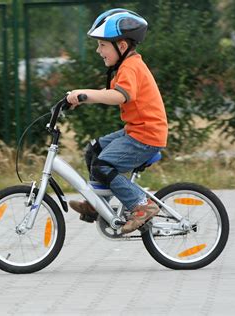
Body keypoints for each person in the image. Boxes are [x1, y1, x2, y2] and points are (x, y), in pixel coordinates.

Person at [66, 8, 168, 234]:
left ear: (121, 46)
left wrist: (86, 95)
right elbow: (113, 92)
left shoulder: (131, 66)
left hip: (146, 136)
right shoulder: (126, 66)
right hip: (136, 131)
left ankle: (141, 206)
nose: (98, 50)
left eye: (102, 45)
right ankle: (96, 205)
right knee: (93, 151)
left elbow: (119, 96)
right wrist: (81, 98)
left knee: (103, 165)